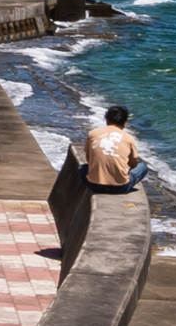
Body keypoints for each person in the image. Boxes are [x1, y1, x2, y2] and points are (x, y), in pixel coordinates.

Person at [49, 106, 144, 265]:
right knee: (143, 167)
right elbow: (134, 163)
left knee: (82, 169)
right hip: (119, 187)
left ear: (106, 119)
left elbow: (89, 159)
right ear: (125, 123)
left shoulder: (93, 134)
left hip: (94, 184)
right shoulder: (128, 138)